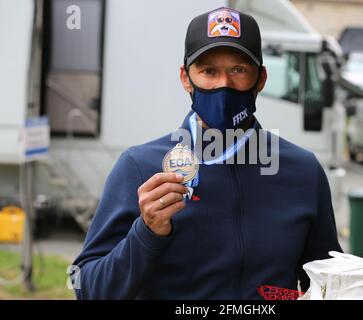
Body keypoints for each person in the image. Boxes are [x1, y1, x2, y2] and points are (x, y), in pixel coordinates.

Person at [72, 7, 342, 300]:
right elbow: (89, 289)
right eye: (208, 71)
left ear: (261, 79)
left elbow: (331, 284)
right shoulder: (140, 167)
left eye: (238, 70)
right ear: (186, 78)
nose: (223, 85)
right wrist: (147, 232)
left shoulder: (303, 172)